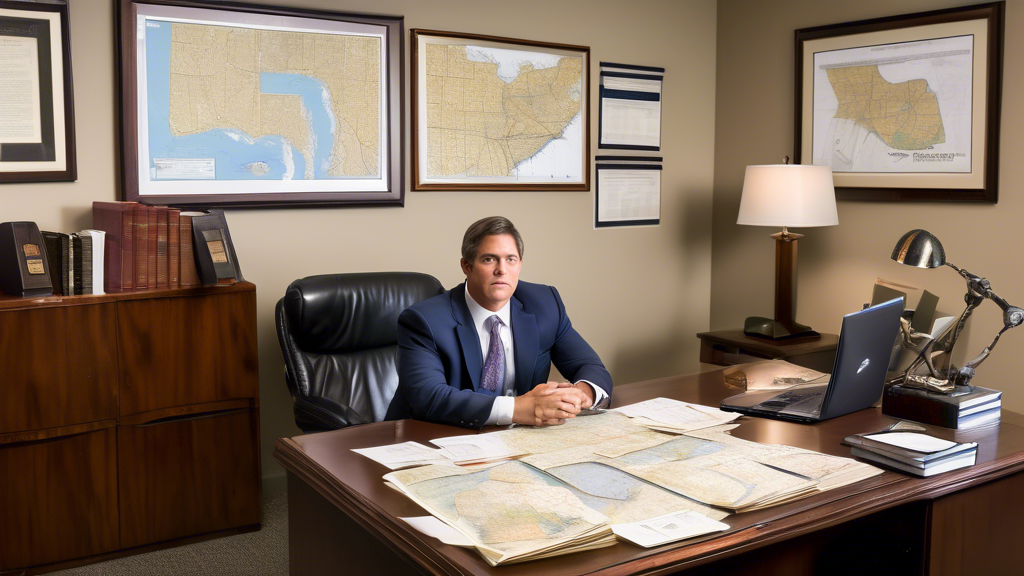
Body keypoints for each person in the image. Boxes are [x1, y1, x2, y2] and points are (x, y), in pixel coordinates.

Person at [385, 216, 612, 428]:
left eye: (510, 260)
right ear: (467, 266)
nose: (501, 270)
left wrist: (581, 395)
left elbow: (590, 366)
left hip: (515, 440)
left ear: (520, 264)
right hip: (432, 438)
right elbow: (429, 397)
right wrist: (520, 408)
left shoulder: (544, 304)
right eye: (489, 259)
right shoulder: (424, 320)